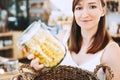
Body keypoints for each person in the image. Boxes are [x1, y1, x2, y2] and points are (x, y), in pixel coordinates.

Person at [27, 0, 120, 79]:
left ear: (103, 11)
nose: (85, 14)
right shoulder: (62, 38)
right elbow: (48, 73)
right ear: (74, 12)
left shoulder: (111, 50)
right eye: (79, 8)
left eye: (92, 6)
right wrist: (37, 69)